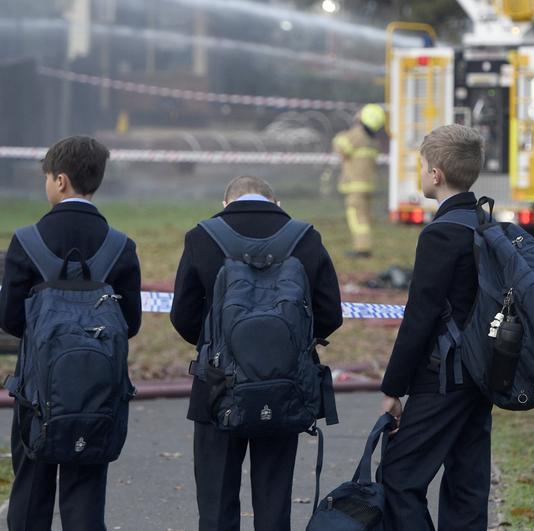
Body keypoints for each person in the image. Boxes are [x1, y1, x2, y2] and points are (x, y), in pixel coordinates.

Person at [170, 175, 342, 531]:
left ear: (225, 203)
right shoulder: (305, 237)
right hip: (285, 384)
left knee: (216, 506)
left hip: (217, 387)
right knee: (274, 504)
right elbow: (331, 314)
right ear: (276, 203)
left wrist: (218, 346)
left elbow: (182, 316)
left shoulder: (202, 236)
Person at [0, 136, 142, 531]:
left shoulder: (27, 241)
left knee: (31, 488)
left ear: (60, 181)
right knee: (86, 490)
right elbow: (129, 322)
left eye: (46, 177)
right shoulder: (121, 246)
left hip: (37, 391)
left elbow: (11, 319)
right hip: (97, 391)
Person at [380, 124, 492, 531]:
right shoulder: (485, 223)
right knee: (467, 484)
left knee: (399, 476)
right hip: (483, 374)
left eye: (422, 165)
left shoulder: (441, 234)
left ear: (436, 174)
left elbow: (420, 317)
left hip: (442, 376)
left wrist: (393, 388)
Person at [332, 103, 386, 257]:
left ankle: (362, 249)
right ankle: (364, 246)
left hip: (355, 186)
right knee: (364, 216)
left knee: (357, 218)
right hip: (368, 185)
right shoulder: (373, 140)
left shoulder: (356, 135)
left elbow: (340, 145)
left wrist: (350, 128)